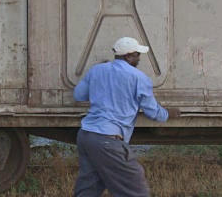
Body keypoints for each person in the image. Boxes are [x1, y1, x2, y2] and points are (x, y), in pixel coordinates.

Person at [73, 37, 180, 197]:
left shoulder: (97, 70)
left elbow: (79, 95)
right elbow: (152, 111)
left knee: (89, 187)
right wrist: (168, 113)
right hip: (108, 141)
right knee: (135, 189)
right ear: (128, 56)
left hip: (86, 136)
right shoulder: (139, 78)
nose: (139, 58)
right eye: (137, 55)